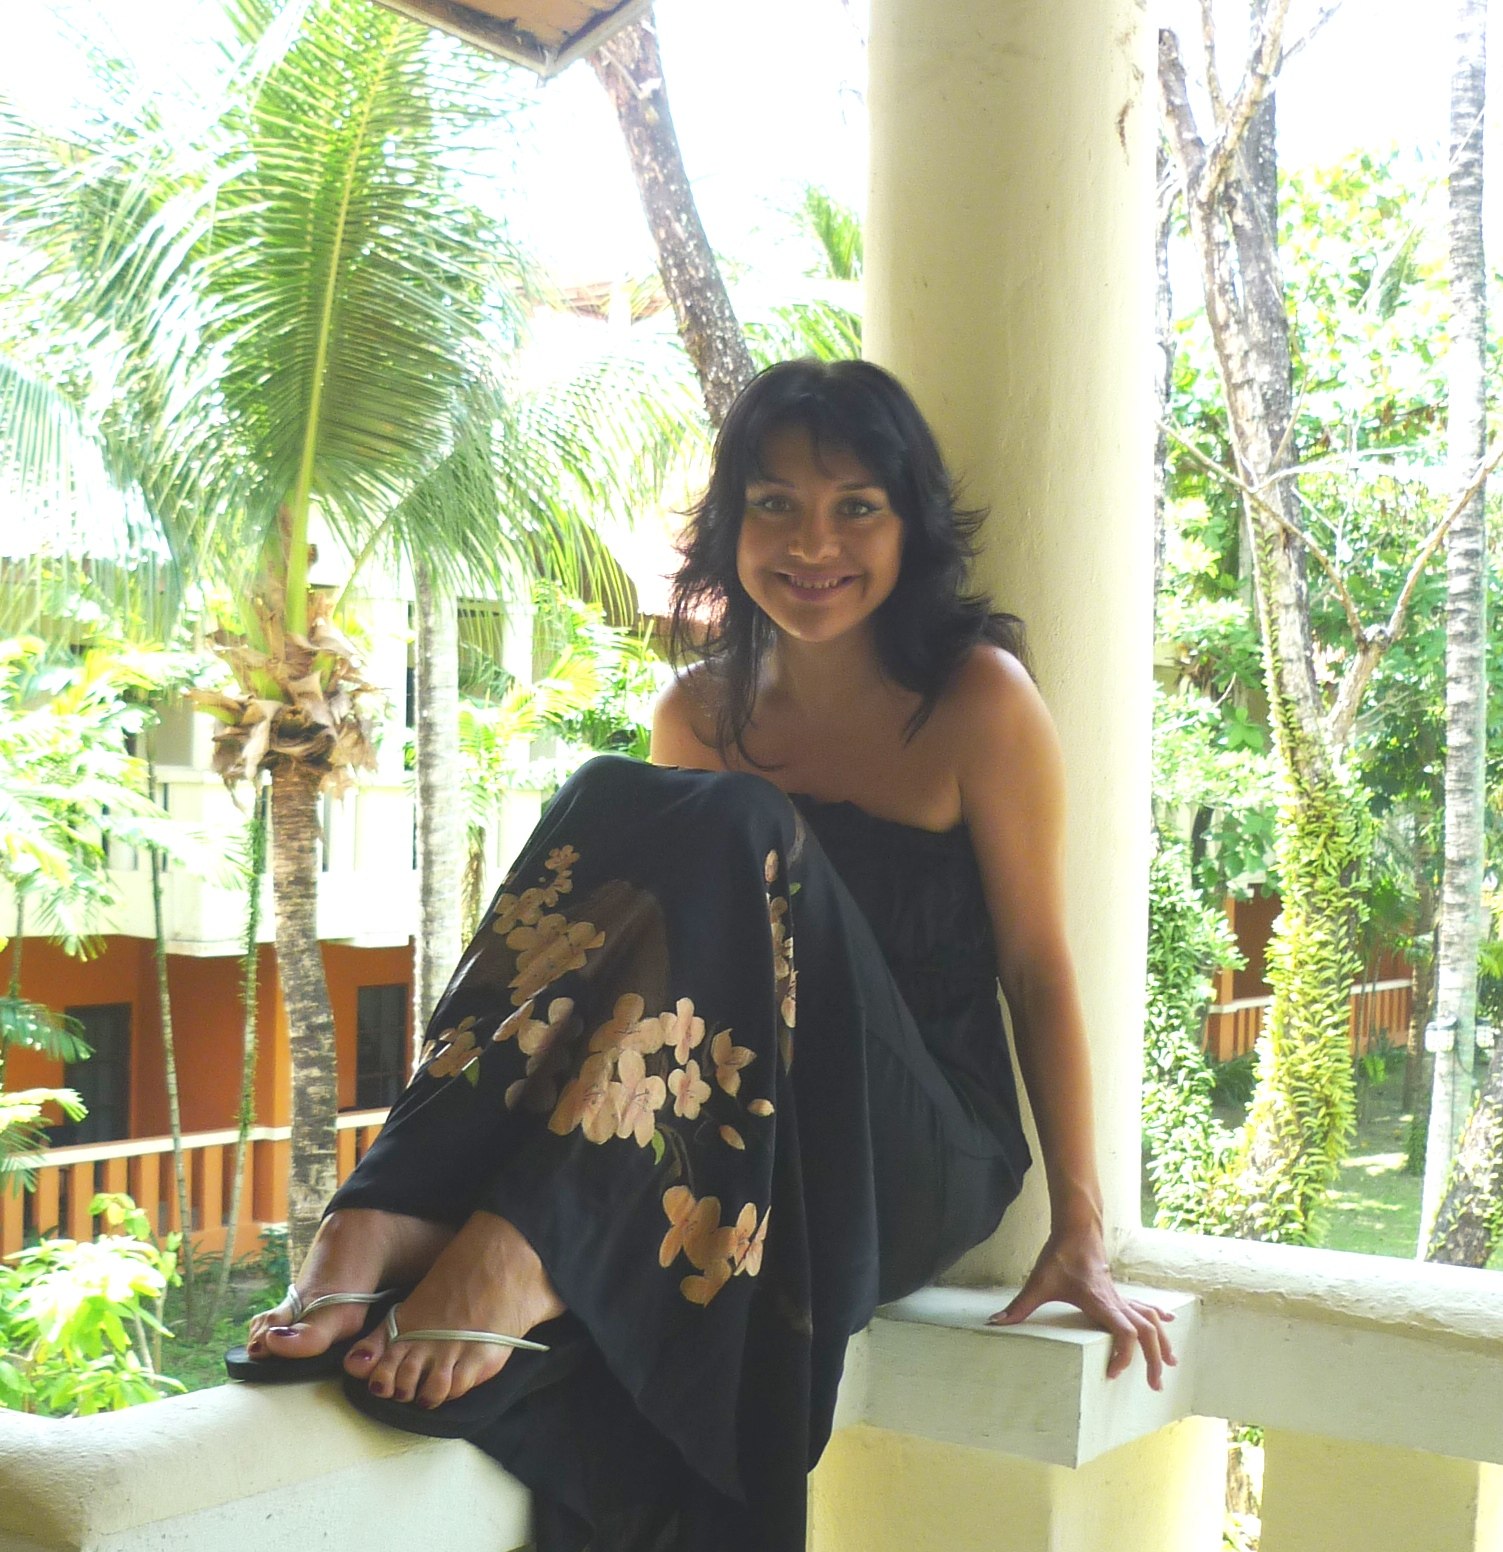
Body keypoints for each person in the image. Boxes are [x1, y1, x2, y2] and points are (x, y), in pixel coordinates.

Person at [229, 358, 1173, 1551]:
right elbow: (658, 982)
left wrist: (1080, 1223)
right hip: (750, 1133)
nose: (813, 542)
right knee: (607, 794)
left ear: (911, 526)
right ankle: (391, 1204)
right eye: (775, 505)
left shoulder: (978, 700)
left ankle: (534, 1247)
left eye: (857, 507)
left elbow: (1039, 968)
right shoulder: (696, 712)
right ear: (729, 525)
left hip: (912, 1151)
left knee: (736, 818)